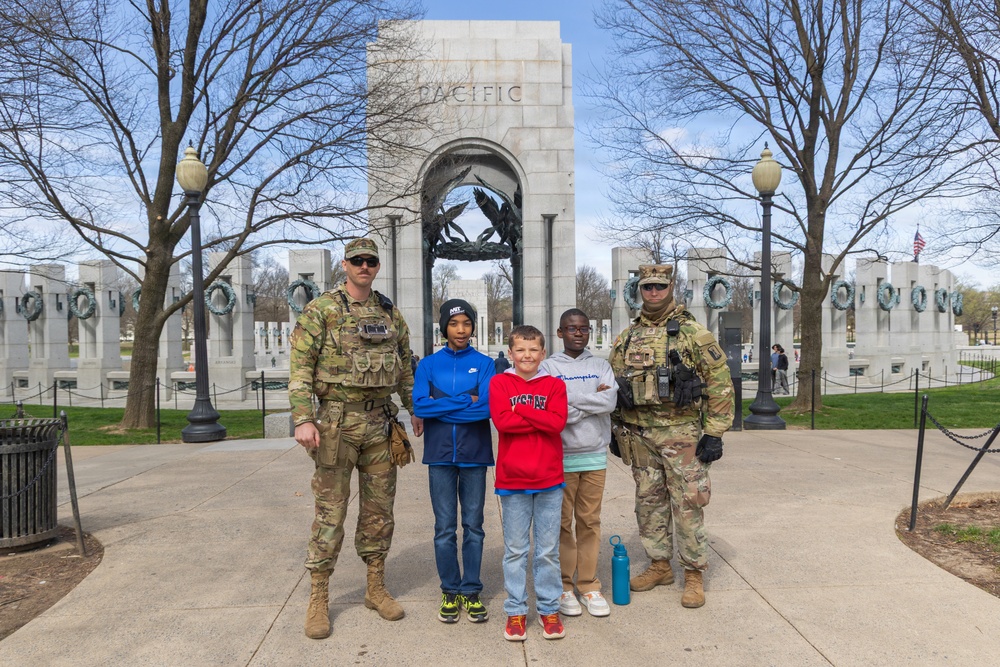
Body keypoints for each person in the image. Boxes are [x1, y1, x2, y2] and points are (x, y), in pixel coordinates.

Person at [289, 237, 422, 640]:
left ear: (377, 267)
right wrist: (302, 419)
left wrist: (414, 407)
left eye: (370, 261)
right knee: (330, 514)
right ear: (345, 265)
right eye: (357, 261)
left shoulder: (389, 311)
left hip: (381, 425)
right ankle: (318, 597)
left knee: (380, 512)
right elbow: (300, 368)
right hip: (335, 426)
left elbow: (403, 366)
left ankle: (375, 587)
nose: (364, 266)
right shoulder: (322, 310)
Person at [609, 264, 734, 608]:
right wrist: (614, 426)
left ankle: (693, 573)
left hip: (682, 436)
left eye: (659, 287)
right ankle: (660, 565)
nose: (653, 293)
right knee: (649, 504)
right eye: (647, 287)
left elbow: (720, 383)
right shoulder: (628, 336)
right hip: (640, 434)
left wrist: (715, 432)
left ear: (670, 288)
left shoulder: (693, 333)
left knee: (688, 504)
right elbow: (614, 383)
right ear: (640, 290)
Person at [413, 299, 495, 624]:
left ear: (473, 327)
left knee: (474, 527)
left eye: (466, 323)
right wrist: (465, 399)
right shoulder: (428, 366)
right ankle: (450, 590)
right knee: (444, 528)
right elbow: (421, 407)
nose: (460, 329)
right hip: (439, 456)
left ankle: (471, 590)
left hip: (474, 455)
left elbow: (485, 409)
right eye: (454, 323)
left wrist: (442, 402)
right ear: (444, 327)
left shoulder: (486, 364)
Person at [489, 325, 568, 641]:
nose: (527, 355)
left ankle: (549, 608)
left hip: (549, 478)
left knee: (548, 550)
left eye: (533, 350)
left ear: (543, 353)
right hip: (513, 478)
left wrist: (519, 406)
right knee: (516, 550)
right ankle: (516, 611)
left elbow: (557, 423)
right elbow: (502, 422)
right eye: (520, 350)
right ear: (510, 353)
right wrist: (538, 414)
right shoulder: (499, 382)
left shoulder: (554, 385)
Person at [540, 309, 617, 618]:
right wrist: (591, 401)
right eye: (571, 328)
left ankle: (588, 585)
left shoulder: (601, 364)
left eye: (583, 328)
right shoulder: (547, 367)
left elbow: (609, 402)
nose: (578, 333)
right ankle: (563, 585)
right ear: (560, 333)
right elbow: (551, 410)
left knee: (589, 522)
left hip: (595, 456)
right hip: (560, 458)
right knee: (560, 525)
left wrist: (570, 399)